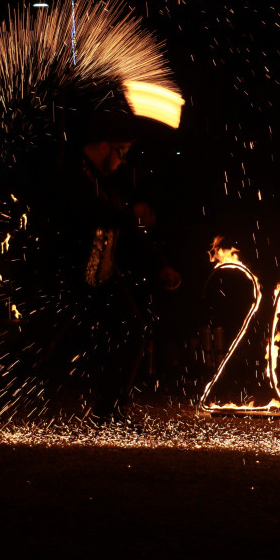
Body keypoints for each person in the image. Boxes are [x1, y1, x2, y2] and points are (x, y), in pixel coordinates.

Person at [33, 100, 181, 424]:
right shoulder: (71, 177)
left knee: (133, 328)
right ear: (104, 147)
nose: (124, 159)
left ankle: (110, 411)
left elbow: (129, 229)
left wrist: (160, 265)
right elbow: (91, 214)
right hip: (66, 279)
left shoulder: (109, 184)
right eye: (122, 151)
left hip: (102, 279)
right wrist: (129, 214)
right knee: (42, 347)